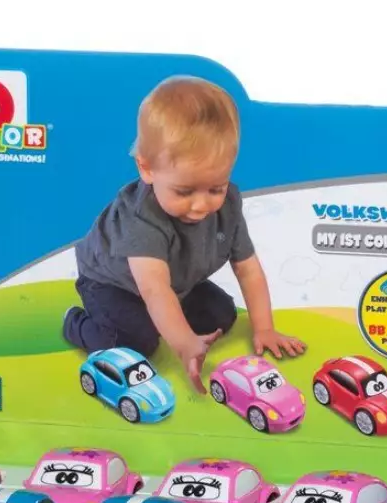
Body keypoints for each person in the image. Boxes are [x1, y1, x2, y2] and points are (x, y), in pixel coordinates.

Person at [63, 75, 305, 392]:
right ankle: (75, 323)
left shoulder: (228, 205)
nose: (201, 205)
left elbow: (248, 269)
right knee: (135, 344)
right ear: (147, 169)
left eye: (215, 188)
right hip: (113, 284)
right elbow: (154, 288)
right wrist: (184, 343)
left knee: (221, 314)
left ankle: (163, 320)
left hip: (176, 282)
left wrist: (265, 329)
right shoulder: (143, 218)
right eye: (185, 191)